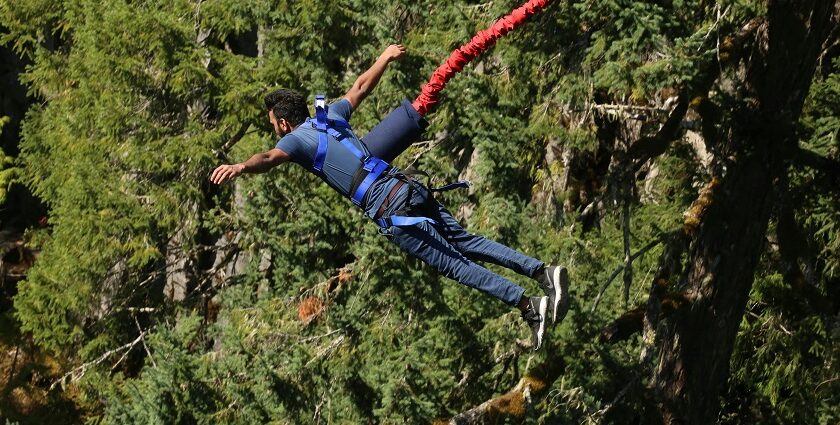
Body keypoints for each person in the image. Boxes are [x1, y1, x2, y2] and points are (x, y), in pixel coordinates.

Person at [210, 44, 569, 350]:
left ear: (283, 124)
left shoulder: (294, 140)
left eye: (273, 125)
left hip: (388, 206)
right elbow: (360, 88)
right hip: (406, 186)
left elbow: (269, 158)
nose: (275, 131)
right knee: (466, 241)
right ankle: (542, 272)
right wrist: (383, 57)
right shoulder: (328, 116)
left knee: (456, 265)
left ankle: (529, 306)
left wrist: (242, 166)